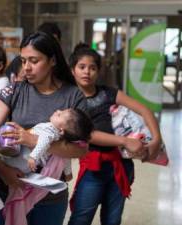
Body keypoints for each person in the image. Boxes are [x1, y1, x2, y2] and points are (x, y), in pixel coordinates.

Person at [0, 31, 88, 225]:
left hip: (49, 196)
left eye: (34, 60)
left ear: (52, 61)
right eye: (23, 61)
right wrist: (2, 169)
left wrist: (33, 140)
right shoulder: (14, 90)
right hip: (9, 187)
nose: (27, 67)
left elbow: (81, 149)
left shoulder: (73, 96)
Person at [67, 43, 162, 225]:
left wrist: (156, 139)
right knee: (81, 218)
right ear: (73, 70)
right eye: (82, 67)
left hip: (121, 165)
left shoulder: (108, 93)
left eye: (93, 67)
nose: (87, 72)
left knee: (112, 220)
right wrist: (125, 141)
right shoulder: (71, 98)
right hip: (93, 168)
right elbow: (87, 134)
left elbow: (145, 110)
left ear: (99, 71)